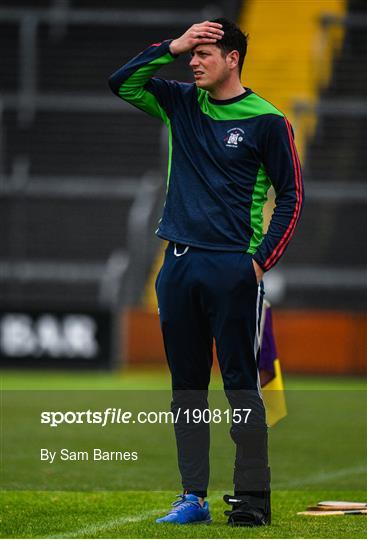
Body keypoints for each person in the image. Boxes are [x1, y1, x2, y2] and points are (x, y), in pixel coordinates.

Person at [109, 18, 304, 527]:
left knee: (240, 383)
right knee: (187, 389)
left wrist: (259, 261)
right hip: (176, 265)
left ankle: (253, 500)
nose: (193, 62)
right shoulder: (179, 103)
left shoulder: (267, 120)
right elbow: (122, 82)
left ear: (233, 58)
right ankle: (192, 497)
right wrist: (171, 45)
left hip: (232, 267)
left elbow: (292, 197)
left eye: (203, 53)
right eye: (190, 54)